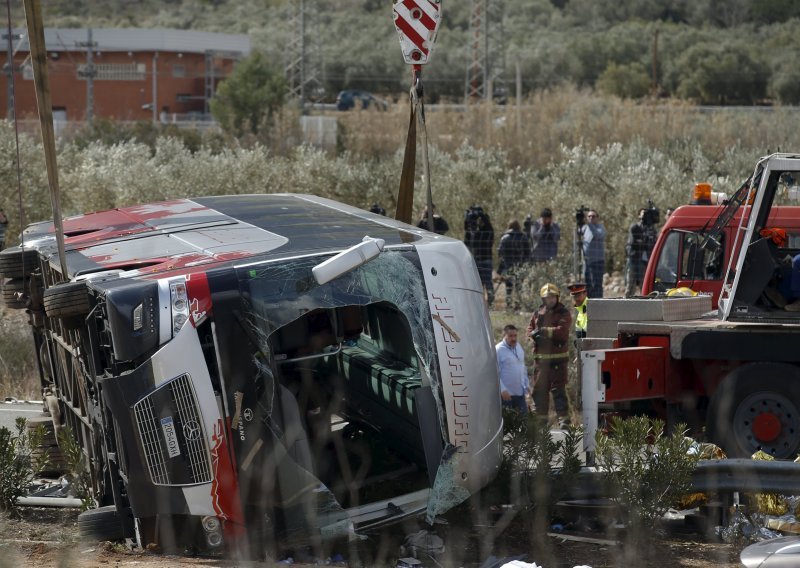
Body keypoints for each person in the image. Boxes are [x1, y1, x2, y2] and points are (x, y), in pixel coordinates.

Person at [526, 283, 572, 428]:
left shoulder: (564, 313)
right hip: (541, 363)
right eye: (547, 298)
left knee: (559, 391)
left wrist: (544, 331)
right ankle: (540, 420)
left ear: (557, 297)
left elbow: (562, 331)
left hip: (558, 362)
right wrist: (533, 335)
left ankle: (564, 420)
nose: (550, 300)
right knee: (539, 391)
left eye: (552, 297)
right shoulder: (537, 312)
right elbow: (529, 329)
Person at [464, 205, 495, 306]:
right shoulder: (475, 232)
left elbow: (488, 224)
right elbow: (467, 237)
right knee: (477, 283)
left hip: (486, 260)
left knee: (487, 282)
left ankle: (490, 302)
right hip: (477, 260)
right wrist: (467, 220)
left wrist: (480, 214)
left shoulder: (488, 231)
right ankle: (478, 302)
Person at [497, 219, 531, 309]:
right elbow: (528, 252)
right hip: (519, 265)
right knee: (518, 286)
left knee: (508, 286)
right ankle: (518, 304)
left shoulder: (504, 238)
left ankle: (508, 305)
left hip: (508, 265)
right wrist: (524, 262)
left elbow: (499, 252)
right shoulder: (523, 237)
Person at [496, 324, 529, 414]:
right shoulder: (498, 350)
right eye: (510, 336)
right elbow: (495, 373)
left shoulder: (518, 347)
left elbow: (523, 367)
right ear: (504, 336)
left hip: (520, 394)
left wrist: (527, 385)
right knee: (508, 424)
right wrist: (502, 390)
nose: (513, 338)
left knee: (524, 422)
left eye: (515, 336)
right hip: (506, 395)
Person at [625, 208, 657, 298]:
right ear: (639, 215)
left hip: (647, 261)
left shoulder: (652, 230)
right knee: (630, 287)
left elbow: (653, 244)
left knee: (644, 287)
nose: (645, 216)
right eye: (643, 214)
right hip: (634, 260)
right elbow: (632, 244)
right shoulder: (635, 228)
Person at [581, 209, 605, 298]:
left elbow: (598, 235)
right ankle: (589, 304)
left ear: (597, 218)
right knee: (587, 284)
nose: (591, 218)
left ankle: (599, 304)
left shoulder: (600, 227)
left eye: (593, 216)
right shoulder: (585, 228)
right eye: (589, 216)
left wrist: (590, 225)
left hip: (597, 261)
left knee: (597, 284)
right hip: (587, 261)